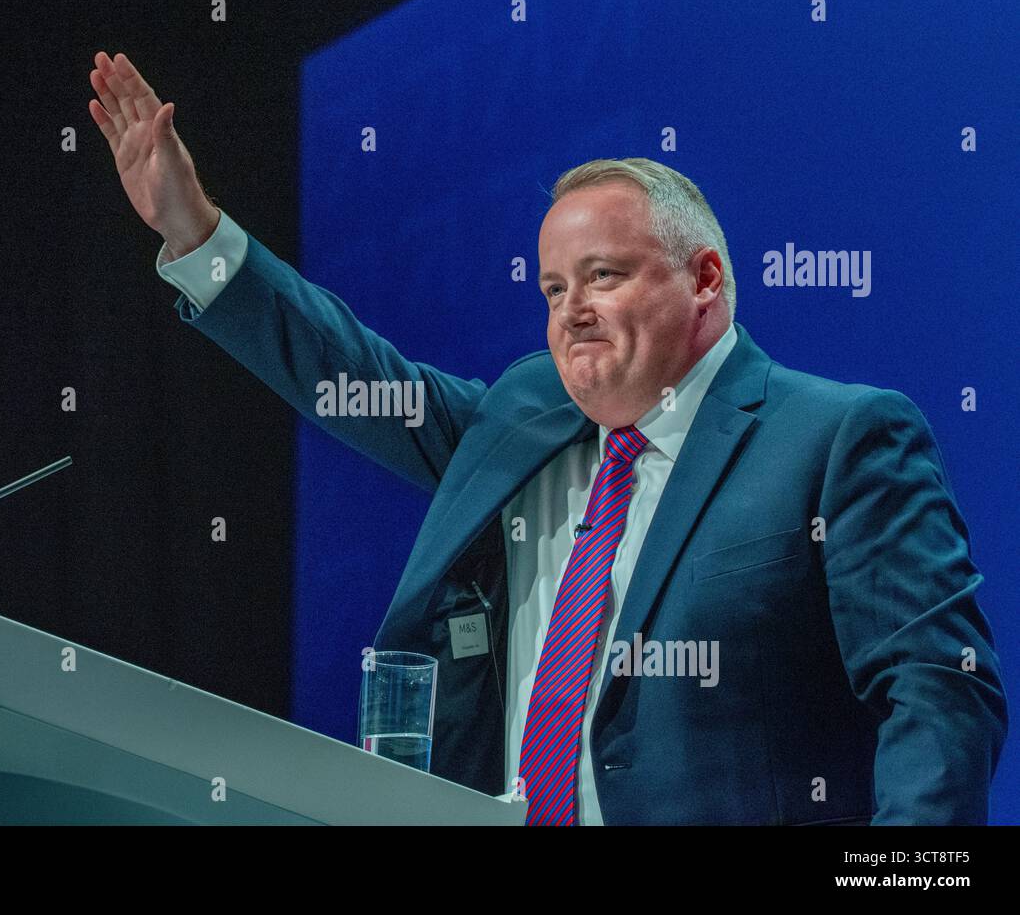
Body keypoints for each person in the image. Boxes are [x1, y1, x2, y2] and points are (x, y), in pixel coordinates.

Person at [86, 51, 1008, 825]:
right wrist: (193, 230)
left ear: (707, 280)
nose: (571, 312)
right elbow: (355, 379)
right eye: (554, 290)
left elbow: (938, 692)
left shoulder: (837, 437)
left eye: (602, 275)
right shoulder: (525, 418)